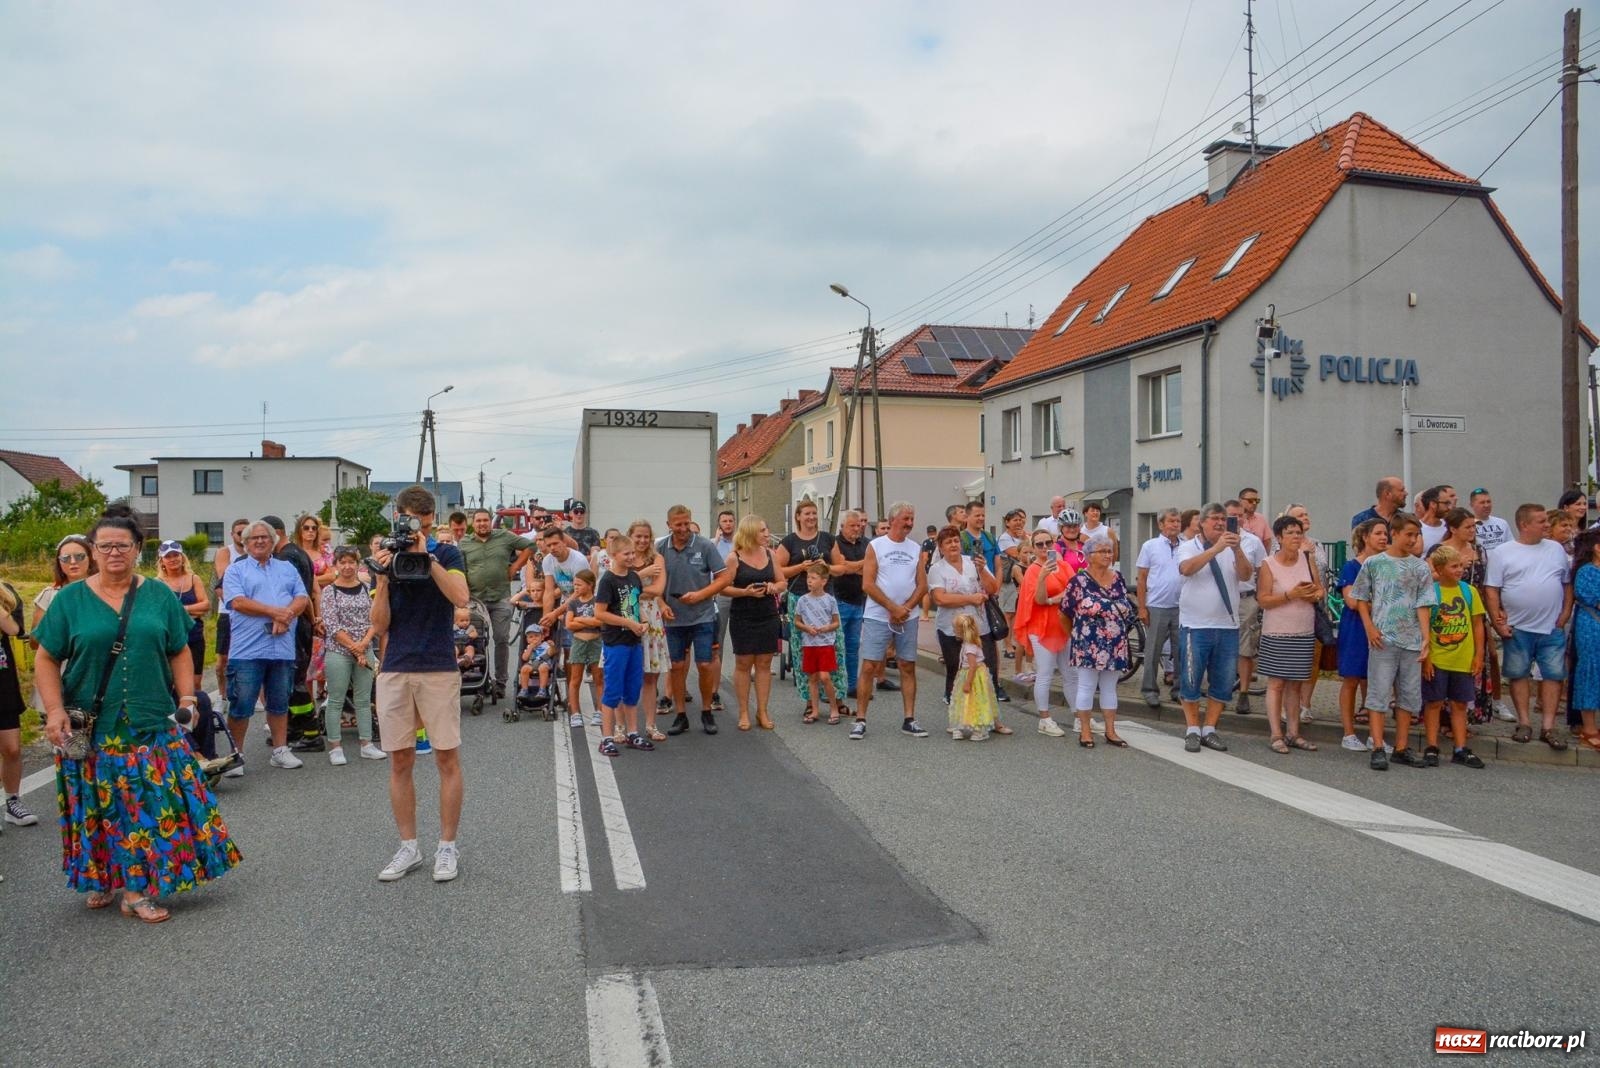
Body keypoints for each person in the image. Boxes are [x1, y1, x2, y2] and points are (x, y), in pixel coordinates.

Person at [34, 510, 242, 921]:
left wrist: (187, 698)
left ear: (137, 550)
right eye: (105, 545)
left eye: (122, 545)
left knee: (140, 804)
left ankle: (136, 889)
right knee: (97, 805)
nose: (114, 552)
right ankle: (104, 877)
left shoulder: (159, 595)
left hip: (150, 718)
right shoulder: (70, 601)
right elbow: (45, 657)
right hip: (93, 725)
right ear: (93, 551)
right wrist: (54, 710)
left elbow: (179, 649)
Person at [370, 485, 470, 883]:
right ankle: (408, 846)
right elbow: (379, 625)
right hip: (395, 665)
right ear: (398, 518)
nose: (414, 532)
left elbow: (461, 596)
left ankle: (447, 847)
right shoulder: (387, 558)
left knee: (446, 758)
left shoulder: (445, 553)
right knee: (399, 760)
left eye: (422, 526)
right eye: (409, 525)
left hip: (438, 666)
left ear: (430, 523)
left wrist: (427, 558)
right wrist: (381, 578)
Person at [1348, 513, 1436, 770]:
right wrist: (1369, 627)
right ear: (1394, 533)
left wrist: (1425, 637)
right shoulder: (1375, 563)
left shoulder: (1419, 567)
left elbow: (1423, 603)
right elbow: (1361, 596)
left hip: (1410, 639)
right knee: (1379, 692)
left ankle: (1401, 746)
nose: (1413, 539)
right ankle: (1377, 746)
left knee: (1408, 695)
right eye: (1408, 534)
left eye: (1416, 535)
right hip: (1383, 638)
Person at [222, 519, 310, 772]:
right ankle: (235, 754)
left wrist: (288, 615)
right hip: (248, 650)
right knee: (242, 703)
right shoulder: (236, 570)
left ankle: (280, 749)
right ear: (245, 543)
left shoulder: (286, 568)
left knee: (280, 701)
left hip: (281, 647)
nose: (260, 541)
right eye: (254, 538)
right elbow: (237, 602)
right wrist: (276, 613)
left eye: (264, 537)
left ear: (273, 541)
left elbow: (301, 597)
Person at [1484, 503, 1573, 749]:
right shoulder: (1503, 552)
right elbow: (1492, 589)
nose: (1547, 525)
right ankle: (1524, 722)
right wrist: (1497, 621)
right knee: (1518, 673)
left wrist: (1565, 613)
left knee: (1553, 676)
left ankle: (1548, 726)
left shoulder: (1555, 549)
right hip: (1517, 627)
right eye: (1542, 521)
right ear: (1524, 525)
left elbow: (1566, 584)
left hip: (1552, 626)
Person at [1176, 504, 1252, 753]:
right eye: (1215, 519)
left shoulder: (1233, 546)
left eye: (1224, 519)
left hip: (1227, 625)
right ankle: (1192, 729)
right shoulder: (1188, 545)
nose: (1220, 523)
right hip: (1195, 625)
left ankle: (1210, 728)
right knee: (1191, 679)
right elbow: (1186, 569)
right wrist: (1216, 549)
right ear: (1202, 523)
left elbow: (1245, 574)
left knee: (1222, 681)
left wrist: (1236, 548)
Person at [695, 516, 782, 730]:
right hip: (743, 614)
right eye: (762, 530)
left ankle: (762, 710)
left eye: (766, 529)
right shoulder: (734, 557)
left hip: (768, 614)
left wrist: (774, 587)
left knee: (764, 664)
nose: (766, 533)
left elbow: (782, 581)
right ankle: (744, 711)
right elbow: (722, 586)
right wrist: (744, 592)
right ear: (751, 532)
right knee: (743, 664)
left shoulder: (771, 554)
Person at [855, 501, 930, 740]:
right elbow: (867, 584)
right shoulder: (876, 546)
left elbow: (922, 584)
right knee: (869, 666)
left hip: (908, 616)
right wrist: (892, 607)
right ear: (893, 520)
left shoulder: (915, 548)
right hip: (878, 615)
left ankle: (909, 718)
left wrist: (905, 609)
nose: (910, 524)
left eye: (912, 519)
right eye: (905, 519)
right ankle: (860, 719)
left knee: (907, 665)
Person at [1256, 514, 1324, 754]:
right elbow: (1263, 599)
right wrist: (1290, 595)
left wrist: (1311, 593)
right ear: (1279, 538)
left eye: (1299, 533)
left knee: (1295, 685)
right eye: (1291, 533)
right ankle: (1276, 733)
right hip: (1277, 632)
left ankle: (1294, 733)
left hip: (1303, 630)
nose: (1296, 537)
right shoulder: (1268, 564)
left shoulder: (1306, 559)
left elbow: (1320, 591)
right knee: (1276, 684)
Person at [657, 505, 727, 733]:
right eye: (678, 524)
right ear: (668, 525)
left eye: (687, 523)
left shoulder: (705, 545)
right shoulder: (660, 549)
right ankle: (680, 714)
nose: (683, 528)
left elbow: (723, 577)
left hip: (703, 615)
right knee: (676, 667)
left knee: (705, 664)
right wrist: (662, 603)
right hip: (674, 618)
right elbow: (652, 585)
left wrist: (701, 594)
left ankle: (706, 712)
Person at [928, 525, 1008, 718]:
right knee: (956, 670)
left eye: (956, 540)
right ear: (941, 547)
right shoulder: (937, 569)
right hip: (952, 628)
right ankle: (958, 716)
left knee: (987, 669)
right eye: (948, 542)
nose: (953, 545)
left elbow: (992, 588)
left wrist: (982, 570)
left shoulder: (973, 562)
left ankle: (991, 716)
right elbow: (940, 598)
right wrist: (970, 598)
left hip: (980, 626)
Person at [1061, 538, 1134, 748]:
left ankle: (1111, 731)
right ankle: (1085, 731)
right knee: (1086, 687)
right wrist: (1076, 637)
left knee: (1110, 688)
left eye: (1110, 551)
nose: (1108, 555)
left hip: (1115, 642)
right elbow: (1064, 613)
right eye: (1102, 551)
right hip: (1088, 643)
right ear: (1089, 556)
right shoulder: (1078, 581)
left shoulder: (1118, 577)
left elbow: (1125, 605)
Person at [776, 499, 848, 713]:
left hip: (826, 599)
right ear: (798, 517)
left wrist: (828, 567)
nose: (811, 518)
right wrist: (800, 567)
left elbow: (841, 568)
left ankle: (838, 699)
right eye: (806, 514)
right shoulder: (789, 542)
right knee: (802, 650)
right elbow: (778, 571)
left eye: (814, 513)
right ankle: (810, 701)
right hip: (800, 599)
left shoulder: (827, 539)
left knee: (835, 647)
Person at [1432, 507, 1502, 724]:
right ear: (1453, 528)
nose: (1473, 530)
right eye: (1468, 526)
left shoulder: (1479, 551)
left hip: (1475, 608)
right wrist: (1456, 568)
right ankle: (1444, 718)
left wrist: (1496, 611)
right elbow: (1429, 576)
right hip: (1447, 613)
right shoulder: (1440, 550)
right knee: (1446, 663)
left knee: (1485, 656)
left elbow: (1487, 584)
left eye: (1474, 526)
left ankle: (1469, 714)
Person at [1420, 545, 1488, 769]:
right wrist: (1427, 658)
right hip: (1439, 657)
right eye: (1454, 566)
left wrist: (1478, 654)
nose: (1460, 570)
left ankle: (1460, 747)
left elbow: (1478, 625)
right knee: (1434, 703)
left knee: (1460, 704)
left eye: (1461, 565)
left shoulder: (1469, 592)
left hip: (1463, 658)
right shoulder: (1432, 592)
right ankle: (1432, 746)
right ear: (1439, 569)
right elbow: (1426, 627)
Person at [460, 508, 533, 700]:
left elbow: (530, 546)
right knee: (475, 640)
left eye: (485, 520)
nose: (482, 524)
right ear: (473, 524)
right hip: (475, 600)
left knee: (501, 639)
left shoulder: (504, 537)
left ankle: (500, 682)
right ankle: (479, 679)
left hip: (501, 598)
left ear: (490, 522)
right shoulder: (464, 543)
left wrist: (516, 567)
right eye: (478, 521)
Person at [319, 545, 384, 764]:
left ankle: (367, 743)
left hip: (365, 648)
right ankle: (335, 747)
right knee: (336, 699)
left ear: (358, 564)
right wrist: (355, 649)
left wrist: (364, 644)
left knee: (364, 699)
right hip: (339, 650)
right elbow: (332, 625)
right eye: (342, 562)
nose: (347, 567)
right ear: (335, 565)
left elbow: (374, 619)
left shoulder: (366, 588)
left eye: (351, 562)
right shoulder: (330, 592)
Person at [593, 532, 654, 755]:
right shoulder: (608, 580)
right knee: (612, 690)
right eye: (626, 553)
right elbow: (599, 613)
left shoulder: (634, 577)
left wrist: (643, 622)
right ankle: (607, 737)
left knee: (632, 689)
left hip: (633, 641)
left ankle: (633, 733)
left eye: (632, 553)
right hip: (616, 641)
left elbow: (636, 605)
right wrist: (627, 623)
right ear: (613, 555)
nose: (631, 557)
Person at [1014, 528, 1075, 737]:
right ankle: (1045, 718)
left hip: (1063, 625)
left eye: (1047, 543)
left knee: (1070, 674)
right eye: (1039, 544)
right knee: (1045, 674)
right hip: (1041, 627)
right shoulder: (1033, 570)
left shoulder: (1064, 566)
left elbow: (1075, 589)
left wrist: (1058, 597)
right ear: (1033, 547)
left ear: (1054, 543)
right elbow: (1038, 600)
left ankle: (1079, 716)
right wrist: (1043, 579)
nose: (1044, 548)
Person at [1336, 519, 1389, 752]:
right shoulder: (1351, 567)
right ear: (1365, 537)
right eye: (1378, 533)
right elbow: (1351, 600)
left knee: (1376, 681)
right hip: (1357, 627)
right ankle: (1348, 733)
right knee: (1352, 678)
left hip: (1383, 626)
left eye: (1386, 533)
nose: (1383, 537)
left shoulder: (1388, 565)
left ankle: (1374, 735)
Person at [626, 520, 674, 739]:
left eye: (646, 536)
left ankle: (651, 725)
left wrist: (634, 589)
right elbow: (619, 588)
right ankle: (624, 726)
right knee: (625, 673)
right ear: (631, 536)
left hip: (651, 617)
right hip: (627, 615)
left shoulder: (658, 559)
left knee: (650, 676)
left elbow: (658, 589)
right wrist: (642, 576)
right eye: (638, 536)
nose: (643, 540)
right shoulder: (624, 556)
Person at [1224, 499, 1270, 714]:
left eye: (1240, 515)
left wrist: (1260, 599)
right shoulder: (1217, 541)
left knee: (1246, 648)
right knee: (1222, 646)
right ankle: (1221, 691)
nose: (1237, 519)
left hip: (1246, 599)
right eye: (1232, 515)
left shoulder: (1253, 541)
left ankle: (1243, 693)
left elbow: (1262, 571)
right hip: (1223, 599)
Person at [1135, 508, 1184, 708]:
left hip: (1181, 607)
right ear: (1161, 524)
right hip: (1156, 606)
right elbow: (1142, 579)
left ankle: (1179, 690)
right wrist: (1142, 607)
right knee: (1153, 651)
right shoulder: (1150, 546)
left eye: (1178, 521)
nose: (1175, 525)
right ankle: (1149, 690)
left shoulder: (1187, 546)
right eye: (1171, 521)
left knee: (1181, 651)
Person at [0, 579, 36, 828]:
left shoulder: (7, 593)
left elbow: (14, 630)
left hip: (3, 680)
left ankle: (12, 802)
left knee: (12, 748)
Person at [154, 540, 209, 698]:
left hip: (194, 635)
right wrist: (193, 611)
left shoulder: (193, 579)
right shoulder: (158, 584)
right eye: (168, 556)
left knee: (195, 681)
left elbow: (205, 605)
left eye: (176, 555)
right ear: (162, 561)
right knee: (171, 680)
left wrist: (181, 610)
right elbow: (160, 612)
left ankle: (194, 715)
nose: (173, 559)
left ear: (182, 557)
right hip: (170, 638)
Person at [829, 509, 870, 709]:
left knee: (853, 647)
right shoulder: (835, 543)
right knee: (837, 647)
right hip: (840, 601)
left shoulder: (866, 544)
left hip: (859, 602)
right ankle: (834, 689)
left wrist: (852, 566)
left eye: (859, 525)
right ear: (842, 526)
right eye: (852, 525)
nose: (857, 528)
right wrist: (858, 565)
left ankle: (852, 686)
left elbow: (870, 568)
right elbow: (840, 568)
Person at [793, 562, 842, 726]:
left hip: (826, 643)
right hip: (809, 643)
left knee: (825, 676)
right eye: (808, 577)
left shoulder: (830, 600)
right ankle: (814, 709)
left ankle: (834, 708)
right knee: (812, 677)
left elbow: (836, 622)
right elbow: (796, 621)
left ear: (823, 581)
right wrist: (806, 628)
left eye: (813, 578)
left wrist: (827, 627)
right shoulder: (802, 600)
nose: (809, 581)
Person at [209, 518, 248, 708]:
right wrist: (236, 606)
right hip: (228, 611)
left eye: (245, 532)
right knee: (222, 660)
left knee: (251, 656)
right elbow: (225, 581)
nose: (242, 535)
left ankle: (249, 694)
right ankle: (222, 696)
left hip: (250, 612)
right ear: (232, 535)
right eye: (239, 532)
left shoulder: (256, 553)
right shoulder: (225, 552)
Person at [1568, 529, 1600, 751]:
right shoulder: (1587, 571)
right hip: (1592, 625)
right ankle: (1588, 727)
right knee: (1590, 671)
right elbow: (1591, 598)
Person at [946, 612, 999, 741]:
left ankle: (978, 729)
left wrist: (968, 682)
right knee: (964, 700)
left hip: (972, 676)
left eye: (955, 629)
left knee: (973, 701)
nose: (954, 632)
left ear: (962, 631)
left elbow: (973, 666)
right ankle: (959, 726)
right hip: (968, 674)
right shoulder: (969, 644)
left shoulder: (970, 647)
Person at [561, 570, 605, 727]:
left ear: (590, 584)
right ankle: (575, 713)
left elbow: (600, 621)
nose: (576, 587)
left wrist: (580, 619)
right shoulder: (573, 603)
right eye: (574, 584)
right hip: (578, 642)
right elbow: (569, 624)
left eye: (579, 584)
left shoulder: (597, 601)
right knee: (575, 679)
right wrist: (588, 620)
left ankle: (600, 711)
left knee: (599, 678)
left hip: (596, 641)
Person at [517, 621, 556, 703]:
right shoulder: (528, 647)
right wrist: (530, 648)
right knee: (524, 669)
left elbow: (551, 653)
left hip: (543, 662)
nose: (534, 638)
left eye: (536, 636)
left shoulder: (545, 645)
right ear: (527, 640)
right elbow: (524, 658)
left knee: (543, 668)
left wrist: (552, 646)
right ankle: (524, 689)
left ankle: (542, 690)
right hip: (532, 663)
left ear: (542, 637)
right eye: (531, 637)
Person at [1417, 486, 1450, 552]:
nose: (1449, 507)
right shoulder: (1416, 528)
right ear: (1433, 504)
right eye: (1446, 503)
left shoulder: (1450, 527)